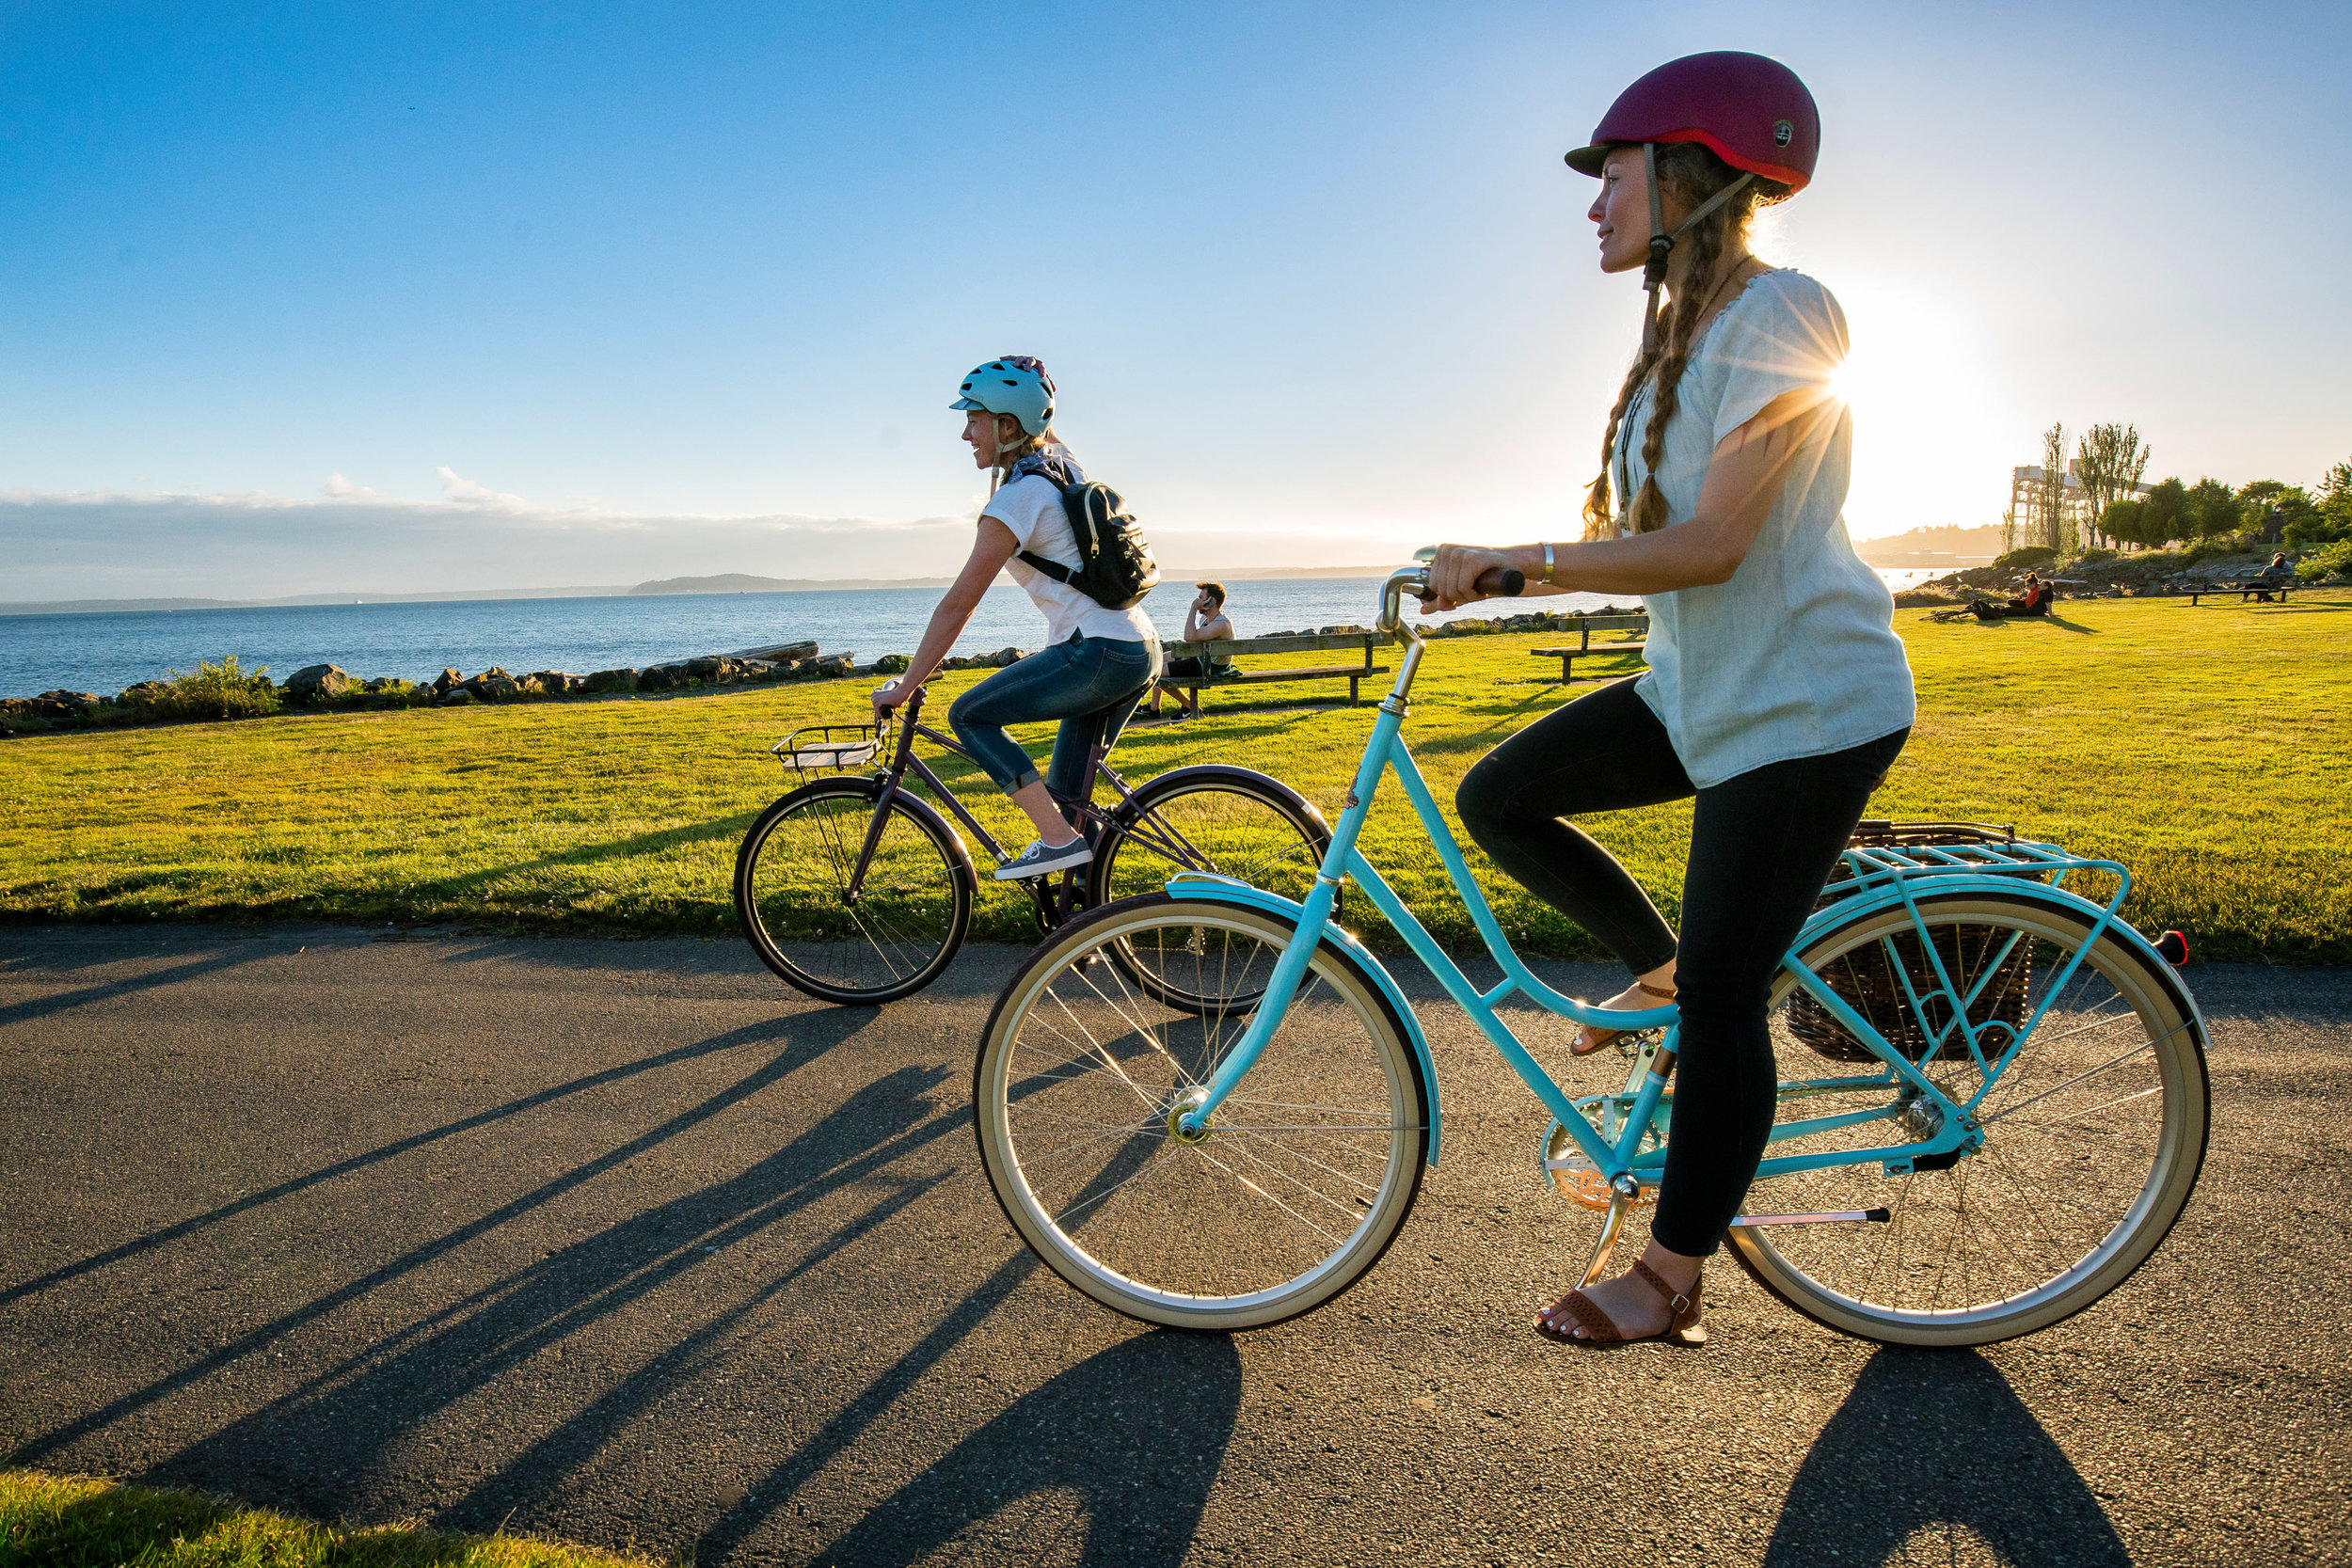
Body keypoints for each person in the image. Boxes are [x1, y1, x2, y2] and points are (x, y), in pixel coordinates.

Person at [1422, 52, 1915, 1347]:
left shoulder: (1785, 311)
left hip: (1805, 705)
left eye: (1611, 174)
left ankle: (1670, 1276)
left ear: (1687, 173)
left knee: (1727, 997)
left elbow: (1714, 545)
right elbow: (1661, 543)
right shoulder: (1676, 340)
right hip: (1703, 690)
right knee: (1503, 794)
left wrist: (1512, 564)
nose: (1592, 204)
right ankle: (1661, 970)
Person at [870, 357, 1161, 881]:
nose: (965, 434)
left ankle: (1053, 842)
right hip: (1136, 647)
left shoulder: (1018, 499)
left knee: (970, 715)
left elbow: (958, 604)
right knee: (1071, 807)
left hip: (1096, 652)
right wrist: (1035, 385)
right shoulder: (1059, 465)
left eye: (975, 419)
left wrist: (906, 686)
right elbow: (1044, 424)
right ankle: (1086, 928)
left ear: (1008, 426)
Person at [1152, 582, 1236, 717]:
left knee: (1157, 672)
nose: (1197, 601)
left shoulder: (1221, 624)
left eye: (1201, 598)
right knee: (1157, 662)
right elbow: (1193, 639)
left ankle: (1190, 706)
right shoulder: (1206, 619)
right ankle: (1153, 708)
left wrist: (1193, 609)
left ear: (1212, 601)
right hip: (1200, 659)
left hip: (1209, 666)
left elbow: (1189, 636)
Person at [1967, 570, 2052, 620]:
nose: (2039, 586)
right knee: (2010, 603)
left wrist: (2050, 614)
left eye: (2028, 585)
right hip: (2029, 607)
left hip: (2030, 609)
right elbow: (2036, 602)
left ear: (2033, 584)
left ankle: (2000, 612)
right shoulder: (2040, 592)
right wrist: (2024, 600)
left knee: (2010, 610)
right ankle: (2001, 611)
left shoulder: (2040, 592)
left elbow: (2044, 604)